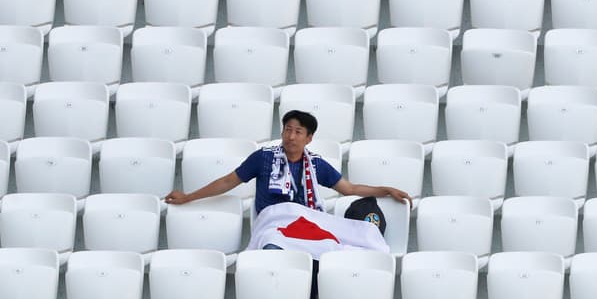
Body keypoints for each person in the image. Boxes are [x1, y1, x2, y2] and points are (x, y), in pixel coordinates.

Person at [163, 110, 413, 213]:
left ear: (309, 138)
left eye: (298, 132)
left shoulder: (316, 165)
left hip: (306, 224)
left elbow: (350, 189)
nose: (291, 136)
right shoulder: (263, 158)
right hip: (272, 225)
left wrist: (386, 190)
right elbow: (229, 181)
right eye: (287, 129)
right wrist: (187, 197)